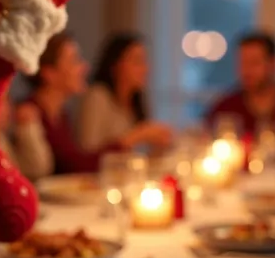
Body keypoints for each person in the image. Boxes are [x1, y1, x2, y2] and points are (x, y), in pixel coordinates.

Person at [19, 32, 172, 174]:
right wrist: (134, 137)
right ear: (49, 73)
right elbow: (76, 165)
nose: (84, 67)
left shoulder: (60, 115)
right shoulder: (28, 114)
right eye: (74, 61)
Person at [78, 33, 173, 153]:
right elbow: (88, 151)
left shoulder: (136, 101)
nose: (145, 68)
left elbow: (139, 154)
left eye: (144, 61)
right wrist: (139, 135)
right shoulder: (98, 96)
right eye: (137, 61)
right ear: (115, 65)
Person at [0, 90, 54, 181]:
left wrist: (28, 129)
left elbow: (37, 169)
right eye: (0, 100)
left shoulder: (0, 137)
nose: (9, 109)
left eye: (8, 101)